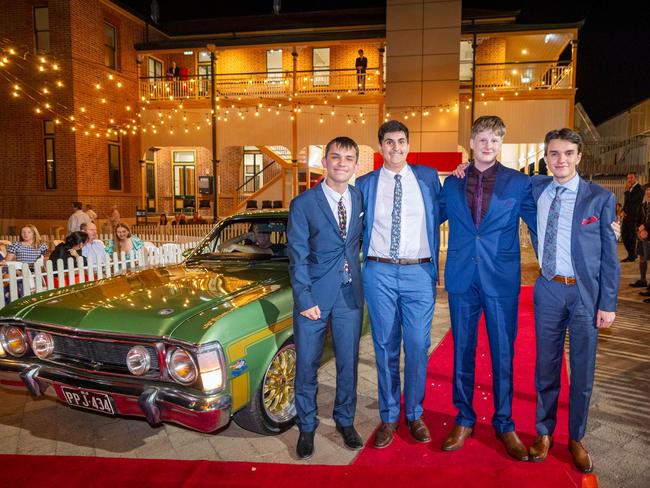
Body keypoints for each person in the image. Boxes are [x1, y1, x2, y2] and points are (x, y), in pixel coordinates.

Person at [439, 116, 537, 460]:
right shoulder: (452, 183)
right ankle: (464, 418)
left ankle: (505, 422)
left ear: (501, 144)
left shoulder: (519, 183)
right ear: (471, 141)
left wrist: (592, 236)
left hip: (501, 280)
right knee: (462, 351)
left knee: (503, 353)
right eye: (482, 138)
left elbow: (542, 222)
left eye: (495, 140)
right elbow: (424, 218)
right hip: (462, 278)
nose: (488, 145)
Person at [528, 128, 620, 473]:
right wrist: (465, 168)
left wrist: (607, 303)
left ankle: (577, 437)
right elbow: (499, 180)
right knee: (545, 366)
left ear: (579, 157)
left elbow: (610, 256)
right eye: (554, 153)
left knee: (582, 371)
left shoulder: (598, 198)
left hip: (585, 294)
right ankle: (543, 432)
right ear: (546, 157)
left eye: (568, 153)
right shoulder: (536, 189)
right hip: (548, 288)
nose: (560, 159)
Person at [356, 120, 441, 448]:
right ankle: (390, 416)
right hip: (379, 273)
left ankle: (415, 413)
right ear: (380, 147)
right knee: (385, 345)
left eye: (401, 141)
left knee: (418, 345)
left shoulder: (428, 178)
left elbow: (442, 212)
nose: (395, 147)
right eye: (389, 142)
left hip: (419, 272)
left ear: (409, 144)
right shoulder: (365, 183)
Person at [287, 136, 365, 460]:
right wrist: (305, 300)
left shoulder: (359, 198)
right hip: (314, 297)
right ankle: (307, 426)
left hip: (350, 294)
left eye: (348, 158)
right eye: (336, 157)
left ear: (356, 165)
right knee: (307, 365)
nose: (342, 163)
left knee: (348, 364)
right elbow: (297, 256)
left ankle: (345, 420)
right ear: (325, 162)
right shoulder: (303, 204)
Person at [621, 172, 644, 262]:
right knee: (624, 235)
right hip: (626, 216)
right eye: (628, 178)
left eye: (631, 178)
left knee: (631, 237)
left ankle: (631, 256)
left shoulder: (640, 189)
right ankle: (632, 254)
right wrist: (623, 210)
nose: (629, 180)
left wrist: (627, 191)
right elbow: (626, 203)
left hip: (634, 217)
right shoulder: (629, 189)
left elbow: (633, 202)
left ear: (636, 178)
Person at [634, 184, 650, 296]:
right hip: (642, 235)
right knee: (642, 256)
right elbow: (638, 218)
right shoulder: (644, 204)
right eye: (647, 190)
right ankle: (643, 280)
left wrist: (645, 227)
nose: (648, 191)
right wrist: (638, 231)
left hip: (648, 233)